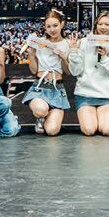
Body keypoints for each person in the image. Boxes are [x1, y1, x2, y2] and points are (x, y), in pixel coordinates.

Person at [71, 11, 109, 136]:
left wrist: (106, 59)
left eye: (107, 24)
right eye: (100, 24)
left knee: (107, 130)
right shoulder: (84, 42)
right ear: (96, 26)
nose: (103, 27)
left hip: (107, 96)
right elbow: (76, 71)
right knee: (89, 130)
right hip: (85, 94)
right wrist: (74, 52)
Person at [24, 8, 73, 136]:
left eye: (55, 25)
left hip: (57, 89)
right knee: (41, 109)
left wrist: (62, 57)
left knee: (52, 131)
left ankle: (47, 116)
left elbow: (68, 72)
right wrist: (31, 54)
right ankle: (41, 116)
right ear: (45, 28)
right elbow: (34, 70)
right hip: (40, 87)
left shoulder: (67, 44)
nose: (52, 29)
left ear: (62, 24)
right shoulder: (39, 43)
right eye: (48, 26)